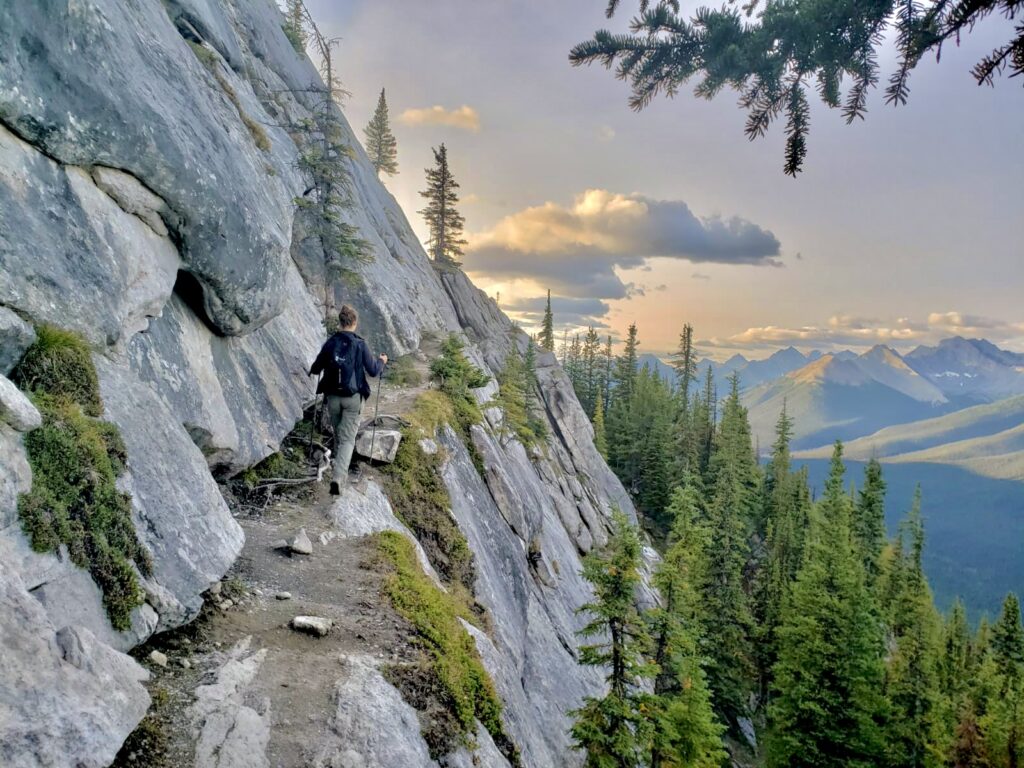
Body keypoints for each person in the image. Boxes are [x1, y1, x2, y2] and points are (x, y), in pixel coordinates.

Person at [309, 305, 387, 494]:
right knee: (347, 440)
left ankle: (338, 466)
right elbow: (373, 370)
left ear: (341, 322)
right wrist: (382, 361)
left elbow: (316, 368)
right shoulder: (360, 344)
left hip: (333, 398)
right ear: (354, 323)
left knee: (340, 435)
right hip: (353, 398)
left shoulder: (331, 343)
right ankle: (337, 479)